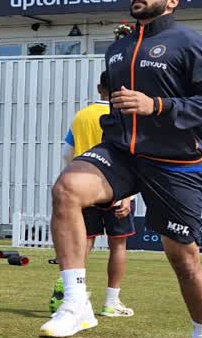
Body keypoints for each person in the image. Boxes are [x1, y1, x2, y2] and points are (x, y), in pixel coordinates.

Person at [40, 0, 202, 338]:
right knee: (67, 186)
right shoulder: (118, 49)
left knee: (183, 259)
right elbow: (119, 107)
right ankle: (76, 302)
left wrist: (157, 106)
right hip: (122, 153)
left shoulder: (189, 43)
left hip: (174, 164)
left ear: (171, 0)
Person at [49, 72, 136, 317]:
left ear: (100, 88)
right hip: (116, 188)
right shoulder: (126, 116)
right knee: (118, 245)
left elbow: (67, 153)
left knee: (83, 241)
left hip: (83, 187)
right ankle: (111, 301)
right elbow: (133, 156)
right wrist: (128, 194)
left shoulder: (81, 116)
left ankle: (70, 289)